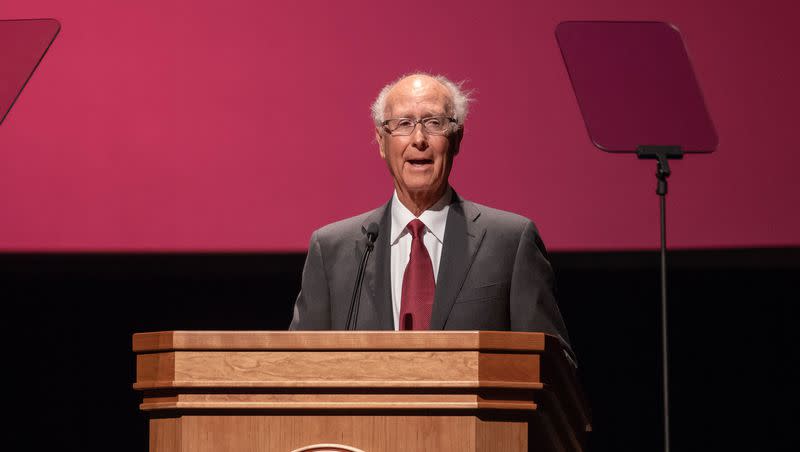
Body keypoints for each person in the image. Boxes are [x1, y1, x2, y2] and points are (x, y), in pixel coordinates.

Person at [289, 73, 571, 348]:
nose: (419, 138)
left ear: (457, 138)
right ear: (381, 141)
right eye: (403, 123)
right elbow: (297, 369)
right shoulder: (332, 251)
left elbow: (552, 367)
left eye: (434, 123)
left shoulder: (510, 243)